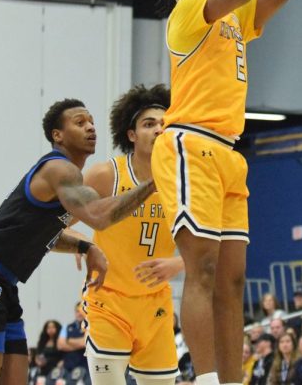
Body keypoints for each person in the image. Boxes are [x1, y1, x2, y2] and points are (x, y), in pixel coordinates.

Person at [151, 0, 293, 385]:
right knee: (203, 271)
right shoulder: (188, 12)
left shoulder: (233, 22)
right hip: (189, 142)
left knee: (233, 283)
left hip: (229, 153)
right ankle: (207, 380)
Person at [0, 98, 159, 385]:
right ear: (58, 135)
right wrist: (155, 181)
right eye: (80, 122)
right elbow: (98, 215)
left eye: (91, 121)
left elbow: (47, 236)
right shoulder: (60, 170)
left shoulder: (69, 179)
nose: (91, 127)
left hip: (5, 284)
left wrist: (85, 246)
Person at [74, 83, 180, 385]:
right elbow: (54, 224)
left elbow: (214, 244)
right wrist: (82, 246)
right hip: (108, 301)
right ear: (131, 134)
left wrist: (178, 264)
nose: (159, 129)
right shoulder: (106, 175)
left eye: (165, 124)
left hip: (156, 303)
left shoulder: (184, 181)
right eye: (149, 124)